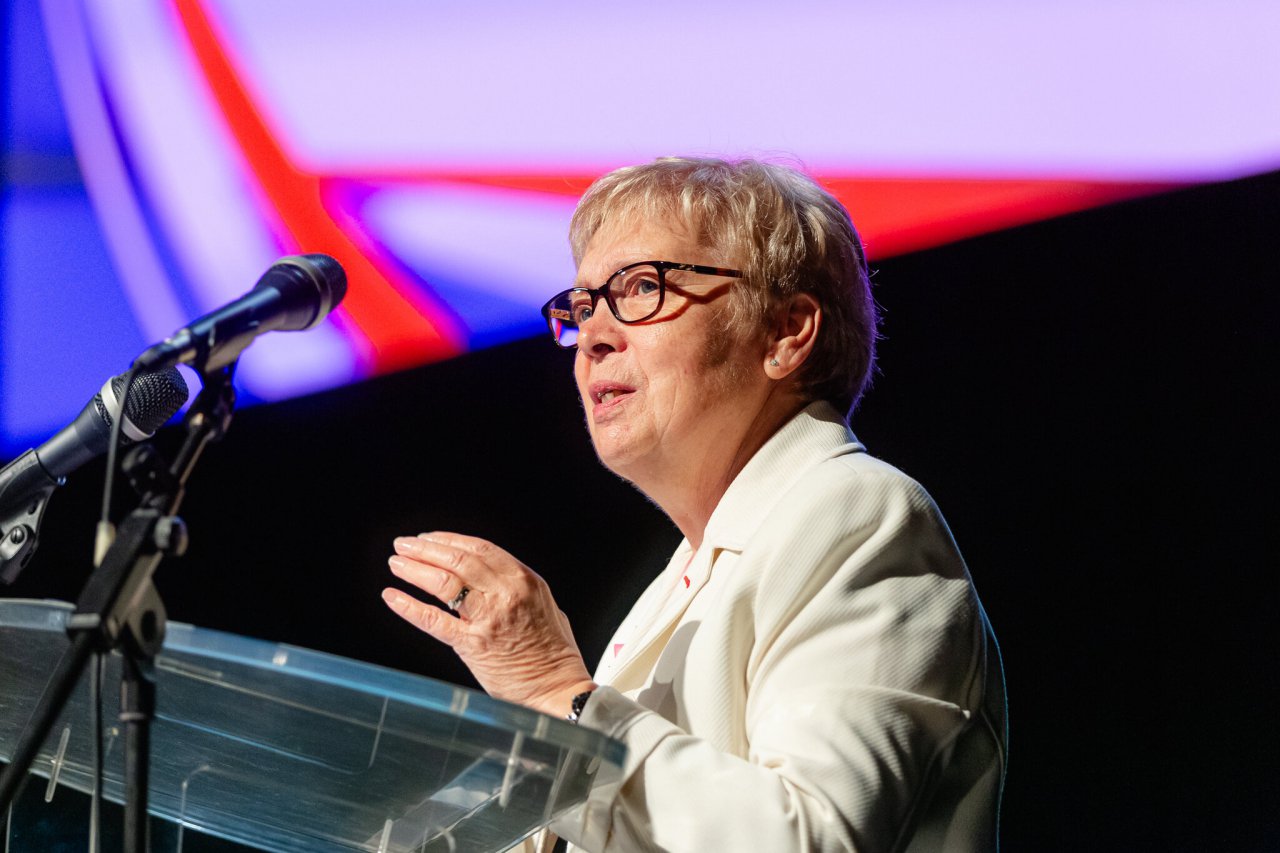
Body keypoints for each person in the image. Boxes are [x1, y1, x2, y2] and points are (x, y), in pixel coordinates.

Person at [381, 157, 1007, 852]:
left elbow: (811, 838)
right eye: (583, 307)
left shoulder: (859, 516)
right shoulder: (683, 580)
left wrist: (554, 692)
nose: (593, 337)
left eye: (643, 288)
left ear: (786, 332)